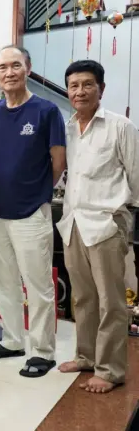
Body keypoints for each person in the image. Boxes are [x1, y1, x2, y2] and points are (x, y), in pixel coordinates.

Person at [0, 46, 66, 378]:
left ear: (28, 68)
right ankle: (13, 340)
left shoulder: (47, 111)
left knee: (38, 285)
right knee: (2, 283)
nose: (10, 72)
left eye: (16, 65)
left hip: (31, 213)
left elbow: (58, 161)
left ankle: (42, 351)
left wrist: (37, 191)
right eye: (2, 67)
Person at [58, 60, 139, 393]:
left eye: (87, 84)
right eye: (74, 85)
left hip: (107, 223)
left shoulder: (120, 126)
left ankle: (110, 370)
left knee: (111, 301)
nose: (80, 91)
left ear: (101, 89)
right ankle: (86, 356)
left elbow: (136, 175)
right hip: (73, 223)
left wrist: (122, 215)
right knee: (82, 298)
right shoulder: (66, 129)